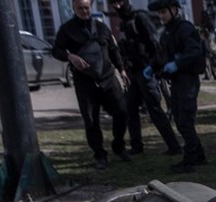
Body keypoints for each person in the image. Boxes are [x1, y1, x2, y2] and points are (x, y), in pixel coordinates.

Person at [52, 0, 130, 170]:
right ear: (74, 8)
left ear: (91, 7)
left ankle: (119, 146)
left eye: (86, 7)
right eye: (80, 8)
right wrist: (70, 57)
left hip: (108, 78)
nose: (84, 11)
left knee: (122, 111)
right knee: (91, 119)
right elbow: (56, 50)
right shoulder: (67, 30)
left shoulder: (102, 27)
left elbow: (113, 49)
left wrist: (122, 70)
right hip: (85, 81)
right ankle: (99, 155)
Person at [110, 0, 181, 157]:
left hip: (145, 70)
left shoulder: (140, 18)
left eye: (119, 2)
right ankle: (137, 146)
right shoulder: (123, 24)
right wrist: (124, 69)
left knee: (155, 109)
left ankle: (174, 145)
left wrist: (154, 68)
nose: (117, 6)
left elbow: (155, 43)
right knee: (130, 108)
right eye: (114, 3)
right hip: (133, 72)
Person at [145, 0, 206, 173]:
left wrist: (178, 63)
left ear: (174, 9)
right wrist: (152, 67)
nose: (161, 16)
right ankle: (199, 154)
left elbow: (194, 51)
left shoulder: (184, 28)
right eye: (159, 13)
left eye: (163, 12)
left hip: (188, 80)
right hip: (178, 81)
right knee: (180, 118)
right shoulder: (168, 31)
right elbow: (162, 54)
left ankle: (190, 159)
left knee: (184, 120)